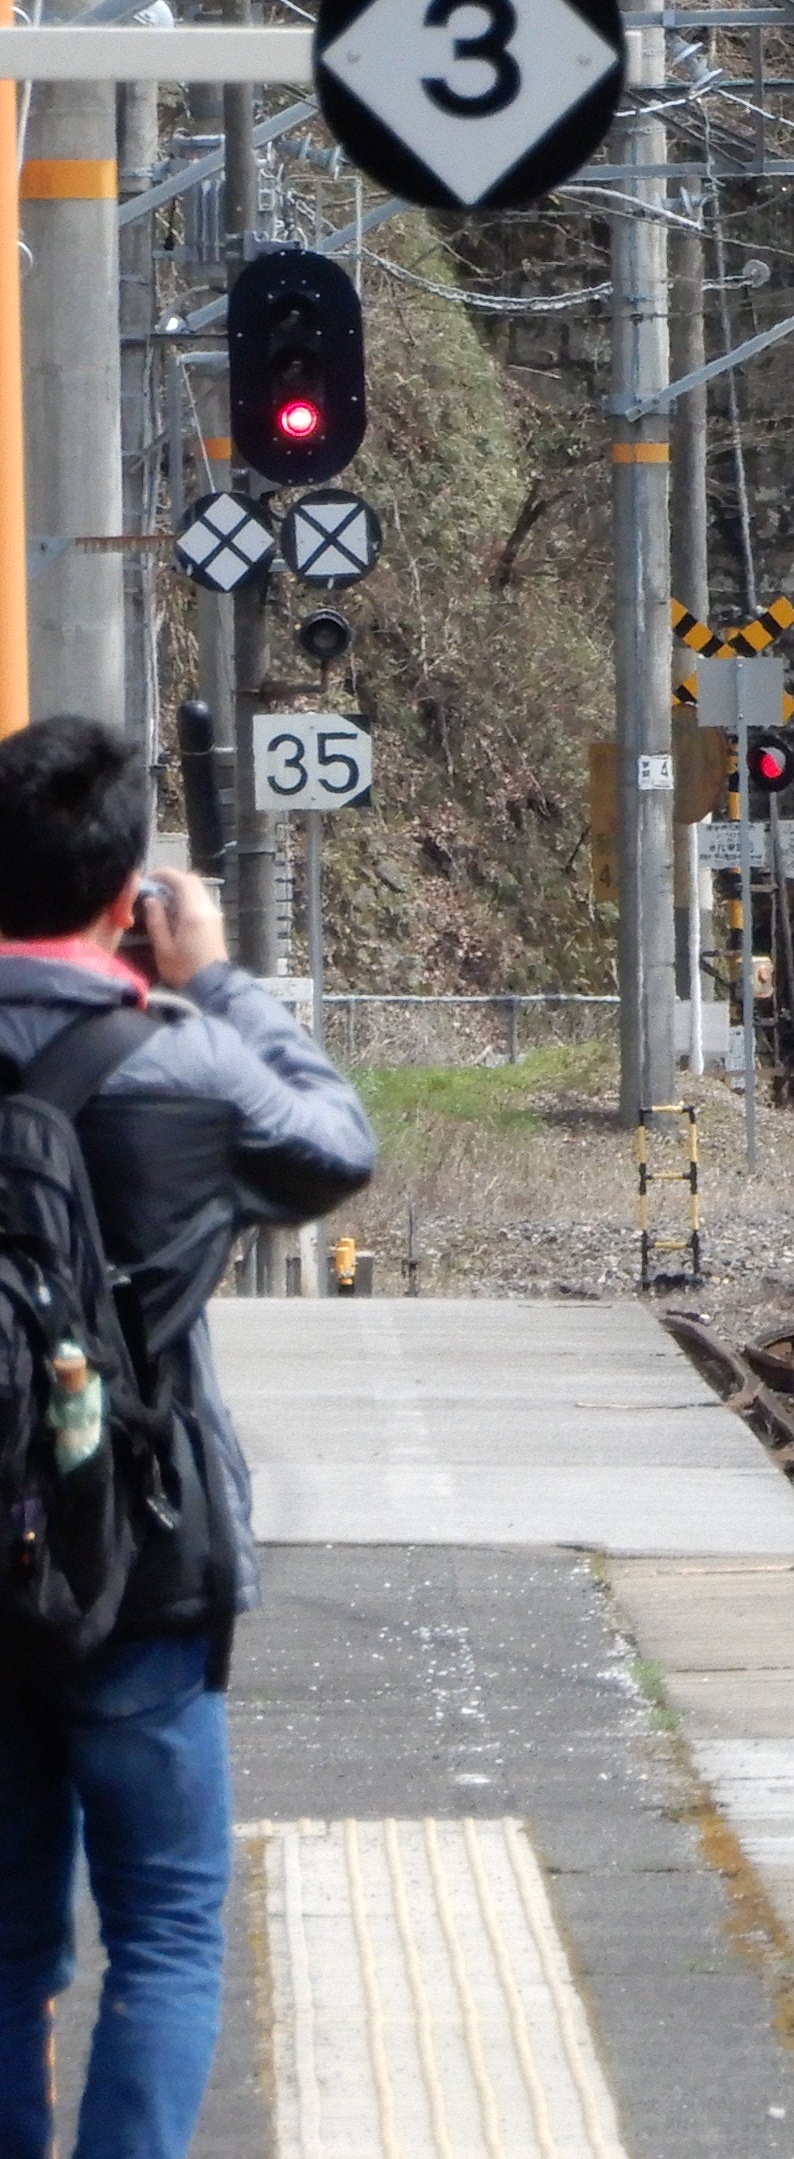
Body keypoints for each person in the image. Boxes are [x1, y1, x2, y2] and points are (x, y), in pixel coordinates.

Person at [0, 717, 373, 2159]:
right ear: (125, 896)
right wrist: (214, 976)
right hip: (138, 1550)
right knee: (162, 1925)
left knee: (5, 1942)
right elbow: (333, 1149)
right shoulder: (192, 1064)